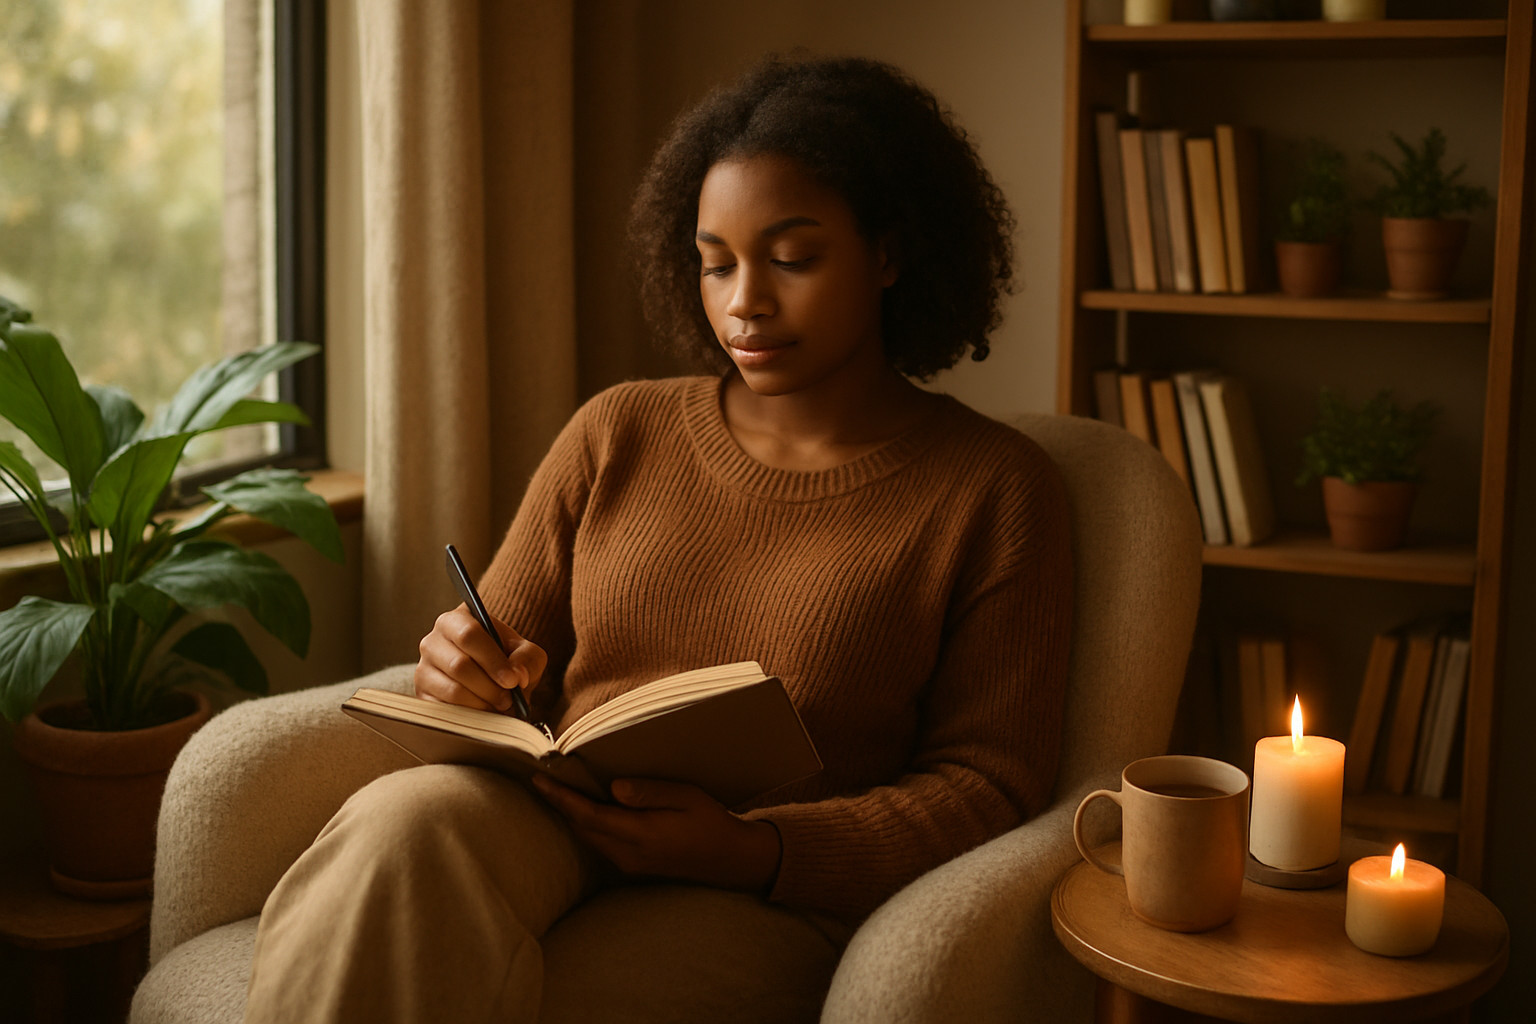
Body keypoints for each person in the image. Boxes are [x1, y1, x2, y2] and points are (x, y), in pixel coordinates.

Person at [243, 54, 1072, 1024]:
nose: (742, 303)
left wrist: (756, 848)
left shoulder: (997, 490)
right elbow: (498, 656)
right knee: (397, 826)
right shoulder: (619, 429)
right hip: (553, 822)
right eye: (715, 262)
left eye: (791, 258)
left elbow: (990, 785)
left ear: (888, 253)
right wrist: (454, 669)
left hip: (763, 887)